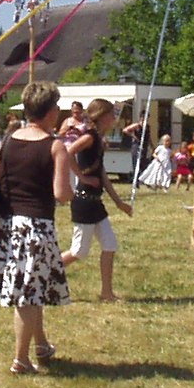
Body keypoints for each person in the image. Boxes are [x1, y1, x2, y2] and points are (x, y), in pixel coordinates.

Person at [0, 81, 73, 374]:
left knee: (32, 287)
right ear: (50, 111)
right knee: (28, 295)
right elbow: (61, 194)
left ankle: (41, 345)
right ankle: (21, 359)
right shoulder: (55, 146)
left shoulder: (8, 140)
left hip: (6, 224)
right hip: (35, 226)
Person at [62, 99, 134, 302]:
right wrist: (82, 178)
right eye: (111, 114)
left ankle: (106, 293)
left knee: (110, 245)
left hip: (96, 202)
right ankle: (43, 272)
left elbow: (101, 173)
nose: (114, 117)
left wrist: (119, 202)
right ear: (101, 116)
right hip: (84, 202)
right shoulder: (89, 137)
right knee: (78, 251)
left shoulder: (99, 139)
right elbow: (67, 153)